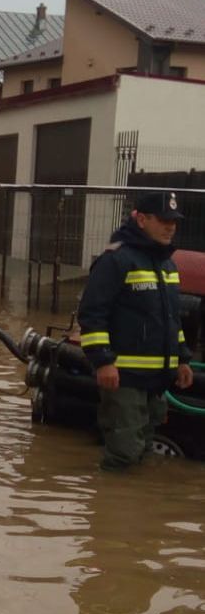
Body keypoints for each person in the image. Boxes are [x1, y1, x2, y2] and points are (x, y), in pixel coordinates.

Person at [77, 191, 194, 470]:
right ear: (141, 219)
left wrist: (181, 359)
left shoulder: (167, 264)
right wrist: (103, 361)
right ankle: (108, 509)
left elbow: (171, 320)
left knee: (143, 449)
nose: (171, 227)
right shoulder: (116, 260)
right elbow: (93, 315)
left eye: (174, 222)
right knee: (125, 453)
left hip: (156, 381)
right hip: (124, 379)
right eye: (164, 220)